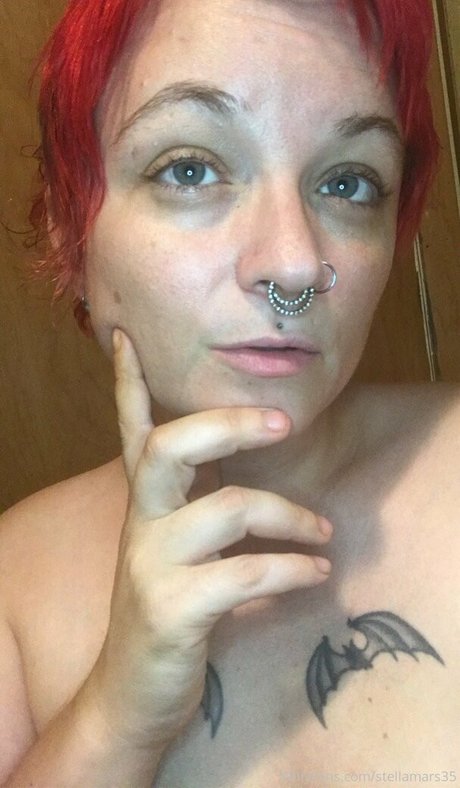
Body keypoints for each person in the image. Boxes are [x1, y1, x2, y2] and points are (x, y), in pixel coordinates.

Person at [1, 0, 458, 784]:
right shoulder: (14, 582)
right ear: (71, 233)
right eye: (190, 169)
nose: (294, 265)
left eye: (349, 182)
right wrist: (114, 722)